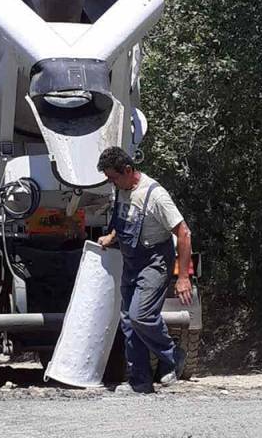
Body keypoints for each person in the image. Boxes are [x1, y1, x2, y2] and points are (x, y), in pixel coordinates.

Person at [96, 146, 193, 394]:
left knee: (141, 315)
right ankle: (140, 382)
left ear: (128, 170)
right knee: (128, 322)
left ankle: (173, 354)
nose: (111, 182)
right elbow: (125, 219)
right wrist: (112, 237)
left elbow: (184, 233)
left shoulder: (155, 195)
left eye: (113, 177)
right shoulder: (122, 189)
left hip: (155, 261)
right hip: (131, 262)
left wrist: (182, 277)